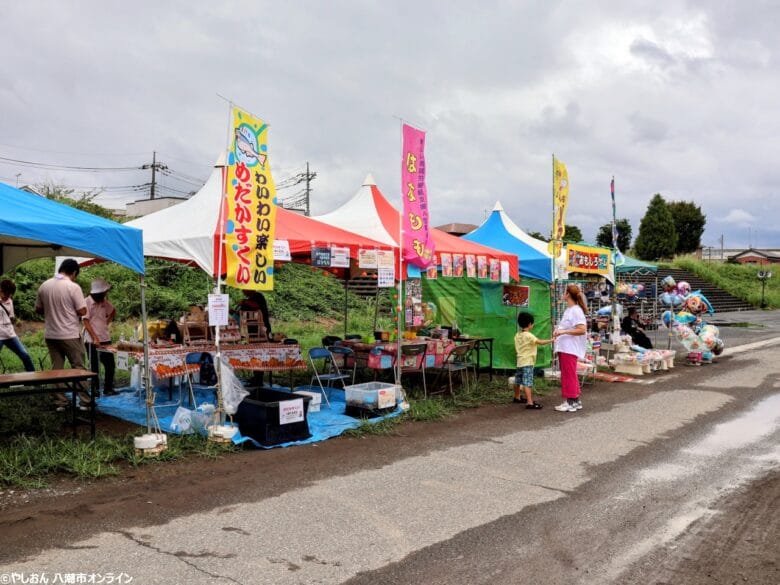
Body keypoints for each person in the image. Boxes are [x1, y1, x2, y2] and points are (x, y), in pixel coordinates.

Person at [35, 259, 94, 410]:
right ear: (74, 272)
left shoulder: (44, 285)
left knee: (57, 369)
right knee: (79, 367)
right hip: (69, 334)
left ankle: (61, 402)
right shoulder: (73, 287)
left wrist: (53, 309)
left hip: (51, 334)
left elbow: (38, 310)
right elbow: (82, 311)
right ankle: (85, 402)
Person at [553, 284, 588, 413]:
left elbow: (582, 329)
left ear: (568, 294)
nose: (563, 294)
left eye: (564, 292)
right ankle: (575, 400)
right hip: (565, 347)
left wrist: (563, 332)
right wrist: (560, 331)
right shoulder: (570, 309)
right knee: (569, 374)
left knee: (568, 375)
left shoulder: (575, 310)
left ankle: (570, 401)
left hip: (569, 348)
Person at [83, 279, 118, 396]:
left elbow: (113, 311)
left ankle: (108, 388)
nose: (105, 295)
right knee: (94, 366)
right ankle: (95, 389)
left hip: (105, 337)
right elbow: (85, 321)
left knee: (110, 364)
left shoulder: (104, 302)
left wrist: (106, 322)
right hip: (91, 339)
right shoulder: (86, 302)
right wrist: (94, 337)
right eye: (103, 293)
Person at [513, 312, 552, 409]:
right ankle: (530, 402)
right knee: (527, 382)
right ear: (530, 324)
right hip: (528, 362)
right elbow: (540, 342)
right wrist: (551, 340)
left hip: (520, 361)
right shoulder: (529, 335)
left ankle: (517, 397)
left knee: (517, 380)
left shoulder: (517, 335)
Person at [0, 279, 35, 372]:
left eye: (10, 294)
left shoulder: (10, 301)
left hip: (10, 334)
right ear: (1, 290)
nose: (8, 296)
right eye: (7, 294)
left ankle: (33, 378)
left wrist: (16, 322)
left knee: (24, 354)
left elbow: (11, 317)